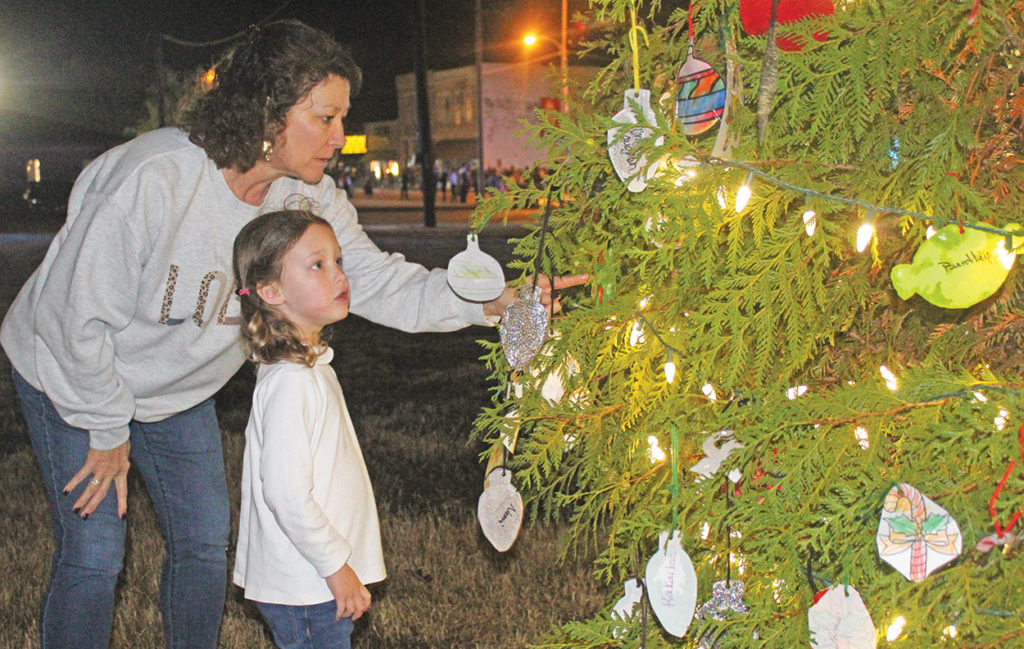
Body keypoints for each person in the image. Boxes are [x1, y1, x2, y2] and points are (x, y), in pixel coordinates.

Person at [1, 19, 586, 649]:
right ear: (266, 112)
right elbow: (74, 313)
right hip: (71, 369)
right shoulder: (158, 177)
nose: (340, 135)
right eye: (324, 118)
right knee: (96, 553)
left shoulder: (308, 199)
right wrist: (108, 429)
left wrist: (493, 302)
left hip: (174, 390)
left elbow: (380, 284)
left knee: (201, 543)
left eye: (343, 118)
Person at [231, 209, 376, 649]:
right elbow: (285, 492)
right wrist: (336, 567)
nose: (338, 275)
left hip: (311, 581)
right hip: (308, 585)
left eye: (338, 261)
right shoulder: (291, 381)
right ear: (271, 290)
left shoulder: (306, 368)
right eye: (318, 265)